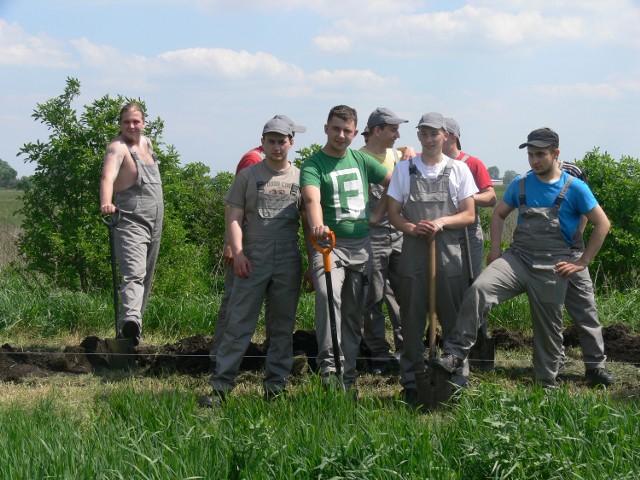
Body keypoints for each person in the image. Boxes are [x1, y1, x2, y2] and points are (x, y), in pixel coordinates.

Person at [434, 128, 611, 389]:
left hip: (554, 263)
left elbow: (602, 224)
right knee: (479, 290)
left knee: (550, 327)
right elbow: (498, 214)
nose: (534, 160)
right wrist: (495, 251)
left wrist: (582, 261)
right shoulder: (521, 184)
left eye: (540, 154)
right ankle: (454, 353)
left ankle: (547, 385)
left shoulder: (575, 188)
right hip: (518, 258)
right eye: (530, 155)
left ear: (555, 154)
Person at [203, 115, 308, 405]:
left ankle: (276, 388)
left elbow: (310, 224)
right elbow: (233, 218)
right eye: (271, 141)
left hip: (287, 258)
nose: (277, 147)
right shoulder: (247, 177)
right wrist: (237, 254)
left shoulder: (301, 178)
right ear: (262, 143)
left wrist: (312, 264)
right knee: (238, 324)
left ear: (291, 143)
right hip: (251, 258)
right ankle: (221, 388)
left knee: (282, 327)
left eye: (282, 141)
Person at [387, 112, 477, 405]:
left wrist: (441, 222)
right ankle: (412, 382)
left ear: (445, 136)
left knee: (453, 320)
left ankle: (456, 382)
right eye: (423, 134)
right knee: (411, 321)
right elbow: (393, 213)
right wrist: (412, 227)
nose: (428, 140)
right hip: (413, 252)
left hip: (449, 254)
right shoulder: (404, 170)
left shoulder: (459, 170)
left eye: (434, 134)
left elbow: (469, 214)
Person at [300, 105, 391, 393]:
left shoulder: (362, 161)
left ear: (355, 133)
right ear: (326, 128)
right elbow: (312, 201)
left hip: (362, 247)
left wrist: (378, 215)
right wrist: (318, 227)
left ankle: (347, 375)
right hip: (328, 246)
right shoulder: (313, 165)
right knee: (328, 297)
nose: (341, 135)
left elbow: (394, 181)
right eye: (336, 128)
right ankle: (329, 369)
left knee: (353, 312)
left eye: (347, 130)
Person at [100, 102, 164, 346]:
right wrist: (106, 202)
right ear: (120, 123)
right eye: (126, 121)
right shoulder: (117, 148)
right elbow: (108, 176)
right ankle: (130, 322)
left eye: (136, 121)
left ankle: (132, 332)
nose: (131, 126)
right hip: (130, 220)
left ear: (143, 123)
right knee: (133, 274)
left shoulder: (147, 144)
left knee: (146, 277)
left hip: (155, 222)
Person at [443, 117, 497, 370]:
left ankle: (478, 338)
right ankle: (451, 341)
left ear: (451, 136)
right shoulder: (430, 162)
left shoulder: (471, 163)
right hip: (445, 233)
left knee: (473, 286)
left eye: (439, 133)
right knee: (447, 288)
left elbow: (491, 196)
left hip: (468, 233)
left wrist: (467, 196)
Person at [359, 107, 408, 374]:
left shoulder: (396, 155)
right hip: (373, 235)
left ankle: (405, 350)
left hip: (399, 231)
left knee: (403, 293)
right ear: (377, 130)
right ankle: (379, 354)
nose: (398, 135)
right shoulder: (359, 160)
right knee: (373, 295)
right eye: (393, 129)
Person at [209, 146, 266, 369]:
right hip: (245, 246)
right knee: (235, 300)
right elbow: (235, 207)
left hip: (263, 246)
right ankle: (219, 356)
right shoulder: (252, 161)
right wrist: (231, 246)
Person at [559, 161, 613, 386]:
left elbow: (589, 213)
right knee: (548, 313)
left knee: (586, 311)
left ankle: (595, 367)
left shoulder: (574, 175)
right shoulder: (535, 179)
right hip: (543, 256)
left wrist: (581, 255)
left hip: (573, 254)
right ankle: (555, 363)